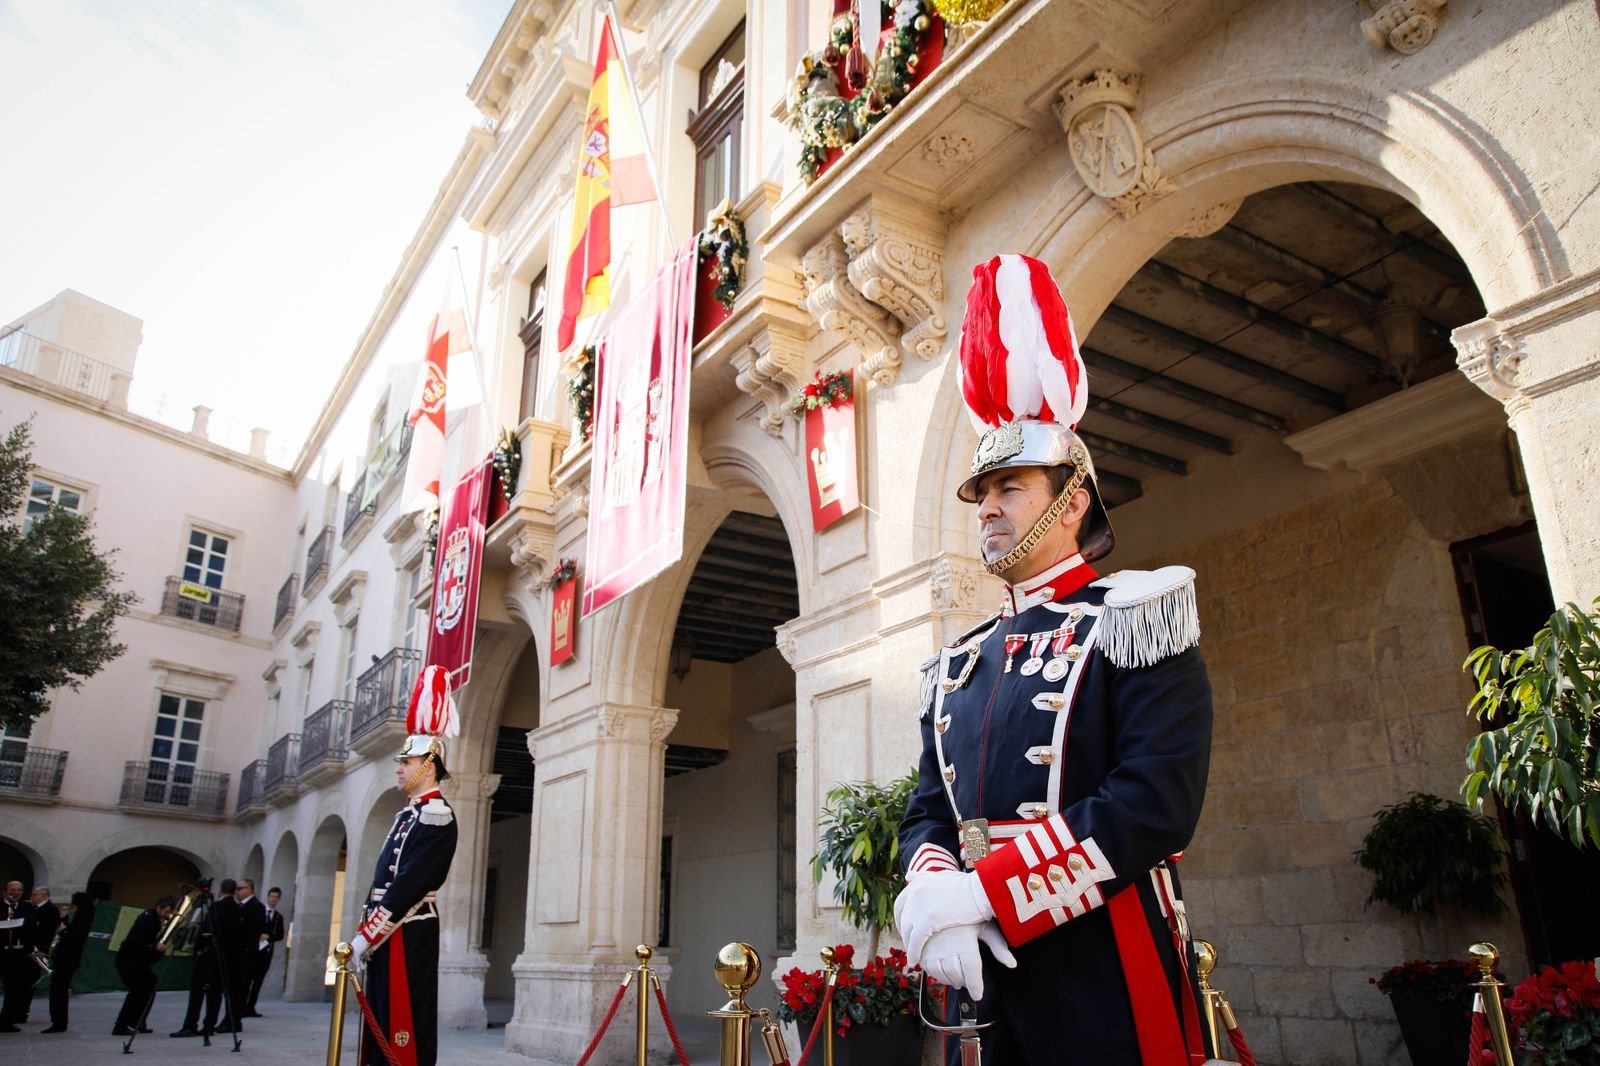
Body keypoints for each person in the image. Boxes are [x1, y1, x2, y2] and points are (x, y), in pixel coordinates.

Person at [895, 254, 1214, 1064]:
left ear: (1072, 502)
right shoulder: (959, 661)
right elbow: (929, 810)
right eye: (982, 494)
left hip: (1106, 954)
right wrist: (933, 895)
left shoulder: (1134, 616)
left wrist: (989, 895)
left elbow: (1153, 803)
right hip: (992, 963)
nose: (989, 510)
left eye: (1011, 489)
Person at [349, 665, 459, 1066]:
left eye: (407, 763)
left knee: (402, 1018)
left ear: (427, 767)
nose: (399, 768)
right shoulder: (407, 815)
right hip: (388, 928)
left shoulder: (437, 816)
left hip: (408, 927)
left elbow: (410, 885)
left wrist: (367, 935)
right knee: (380, 1010)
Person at [171, 879, 226, 1038]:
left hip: (208, 955)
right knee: (213, 992)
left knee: (199, 991)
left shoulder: (216, 908)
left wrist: (198, 947)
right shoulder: (220, 907)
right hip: (215, 956)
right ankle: (208, 1025)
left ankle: (191, 1025)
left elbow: (204, 929)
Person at [113, 896, 175, 1036]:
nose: (167, 916)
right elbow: (138, 942)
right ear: (158, 908)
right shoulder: (148, 920)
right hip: (130, 961)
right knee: (137, 991)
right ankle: (121, 1026)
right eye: (166, 912)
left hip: (135, 961)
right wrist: (155, 945)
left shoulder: (151, 918)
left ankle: (137, 1021)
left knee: (149, 985)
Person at [43, 891, 96, 1033]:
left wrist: (64, 930)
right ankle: (59, 1021)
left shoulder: (82, 919)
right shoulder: (83, 918)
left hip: (67, 959)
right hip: (69, 959)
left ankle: (58, 1022)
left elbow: (73, 936)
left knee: (58, 990)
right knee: (59, 989)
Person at [13, 884, 60, 1025]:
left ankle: (22, 1013)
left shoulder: (50, 910)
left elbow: (45, 933)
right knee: (23, 981)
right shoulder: (35, 909)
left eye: (34, 895)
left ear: (43, 896)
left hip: (36, 952)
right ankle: (18, 1011)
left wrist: (38, 951)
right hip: (28, 950)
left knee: (29, 981)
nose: (31, 897)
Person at [0, 880, 34, 1031]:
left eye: (19, 890)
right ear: (5, 891)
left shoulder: (26, 907)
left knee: (13, 988)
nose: (15, 893)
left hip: (17, 953)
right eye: (12, 890)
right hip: (1, 950)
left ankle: (6, 1020)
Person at [211, 878, 244, 1034]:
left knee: (222, 990)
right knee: (230, 991)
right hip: (234, 955)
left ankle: (214, 1022)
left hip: (222, 954)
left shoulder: (219, 907)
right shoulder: (238, 908)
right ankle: (229, 1021)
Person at [246, 886, 285, 1016]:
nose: (273, 899)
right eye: (272, 897)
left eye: (276, 897)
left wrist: (269, 937)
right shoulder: (259, 912)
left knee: (258, 980)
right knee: (248, 979)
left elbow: (280, 935)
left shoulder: (278, 916)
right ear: (268, 897)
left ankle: (250, 1006)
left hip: (266, 950)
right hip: (253, 950)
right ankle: (242, 1005)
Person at [233, 880, 265, 1022]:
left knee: (243, 985)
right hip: (239, 952)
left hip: (247, 952)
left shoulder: (256, 906)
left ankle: (239, 1012)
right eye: (236, 889)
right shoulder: (239, 906)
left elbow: (253, 931)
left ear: (250, 889)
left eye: (240, 888)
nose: (237, 891)